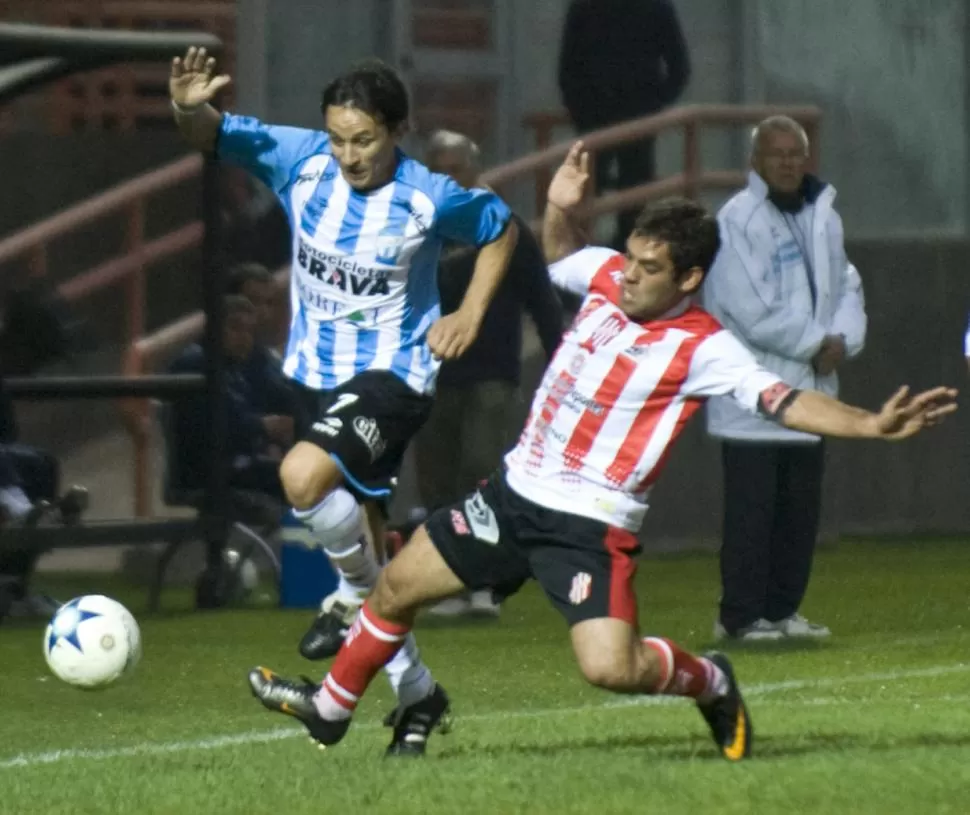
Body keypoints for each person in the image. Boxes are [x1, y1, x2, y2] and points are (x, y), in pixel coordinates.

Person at [245, 143, 957, 760]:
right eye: (630, 257)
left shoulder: (704, 345)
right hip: (512, 495)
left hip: (588, 525)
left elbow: (784, 399)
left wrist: (869, 423)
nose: (627, 274)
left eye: (649, 267)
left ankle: (709, 680)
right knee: (397, 585)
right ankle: (333, 710)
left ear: (687, 279)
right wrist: (559, 206)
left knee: (611, 668)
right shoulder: (608, 276)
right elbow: (561, 254)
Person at [169, 47, 518, 753]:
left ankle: (354, 604)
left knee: (300, 475)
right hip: (316, 374)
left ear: (398, 131)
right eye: (338, 138)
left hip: (395, 376)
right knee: (359, 536)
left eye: (365, 139)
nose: (349, 154)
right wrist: (186, 107)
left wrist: (471, 312)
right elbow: (208, 134)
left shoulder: (427, 194)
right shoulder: (298, 158)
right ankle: (417, 691)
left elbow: (502, 227)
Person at [702, 115, 868, 642]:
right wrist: (816, 343)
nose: (789, 162)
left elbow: (847, 284)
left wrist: (842, 339)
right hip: (757, 395)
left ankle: (780, 611)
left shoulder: (824, 215)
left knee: (798, 515)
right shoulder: (738, 219)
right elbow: (747, 307)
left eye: (795, 153)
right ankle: (740, 616)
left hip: (813, 394)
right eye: (777, 154)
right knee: (752, 517)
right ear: (755, 162)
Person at [415, 130, 565, 618]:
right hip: (432, 373)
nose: (446, 177)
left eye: (455, 168)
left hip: (491, 373)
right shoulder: (416, 231)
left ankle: (486, 582)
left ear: (475, 171)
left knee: (480, 468)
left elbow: (542, 299)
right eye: (438, 168)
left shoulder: (503, 227)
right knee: (436, 480)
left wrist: (559, 362)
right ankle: (448, 584)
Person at [558, 0, 690, 249]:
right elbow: (568, 66)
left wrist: (654, 105)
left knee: (627, 186)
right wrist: (654, 103)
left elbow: (679, 67)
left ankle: (612, 249)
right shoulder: (588, 7)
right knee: (595, 187)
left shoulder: (651, 7)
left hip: (615, 116)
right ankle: (594, 250)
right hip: (608, 116)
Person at [168, 296, 294, 500]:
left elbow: (276, 398)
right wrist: (265, 427)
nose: (244, 338)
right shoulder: (195, 363)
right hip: (209, 473)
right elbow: (220, 426)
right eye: (236, 328)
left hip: (239, 462)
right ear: (213, 328)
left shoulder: (238, 365)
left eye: (250, 332)